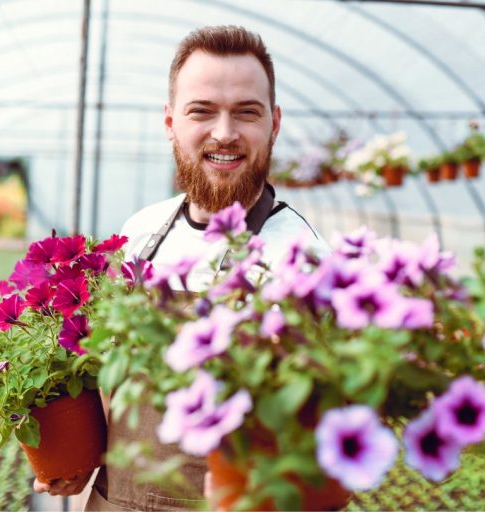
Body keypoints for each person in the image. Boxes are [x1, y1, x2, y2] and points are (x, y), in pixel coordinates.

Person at [33, 25, 328, 510]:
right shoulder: (143, 232)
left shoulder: (304, 257)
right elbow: (114, 376)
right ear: (170, 121)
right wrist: (80, 457)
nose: (225, 133)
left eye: (246, 113)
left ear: (274, 123)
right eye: (202, 111)